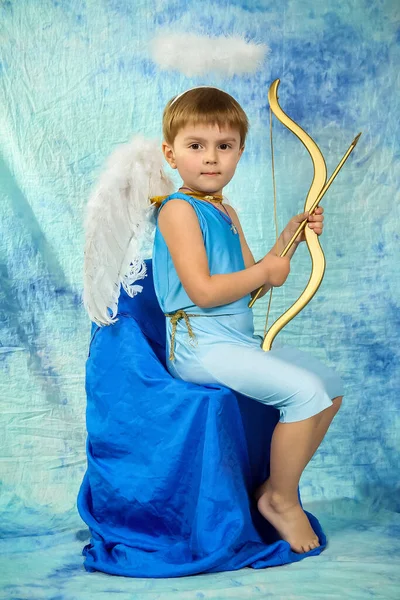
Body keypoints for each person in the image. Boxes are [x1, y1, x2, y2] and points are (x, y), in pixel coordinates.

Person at [149, 86, 344, 555]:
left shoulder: (225, 211)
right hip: (201, 349)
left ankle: (275, 490)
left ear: (239, 152)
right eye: (195, 146)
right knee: (305, 395)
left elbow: (251, 285)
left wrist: (290, 240)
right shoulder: (177, 210)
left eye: (225, 146)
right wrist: (265, 271)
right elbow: (203, 292)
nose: (211, 159)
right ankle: (279, 499)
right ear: (170, 154)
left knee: (329, 387)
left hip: (236, 340)